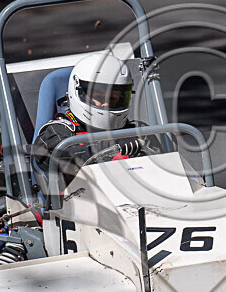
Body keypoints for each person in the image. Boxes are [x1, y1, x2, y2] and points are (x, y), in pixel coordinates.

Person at [31, 53, 154, 194]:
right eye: (98, 97)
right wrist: (110, 147)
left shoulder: (137, 131)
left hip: (137, 201)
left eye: (113, 98)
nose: (106, 103)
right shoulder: (56, 133)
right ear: (78, 91)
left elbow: (164, 164)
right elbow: (66, 159)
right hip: (79, 208)